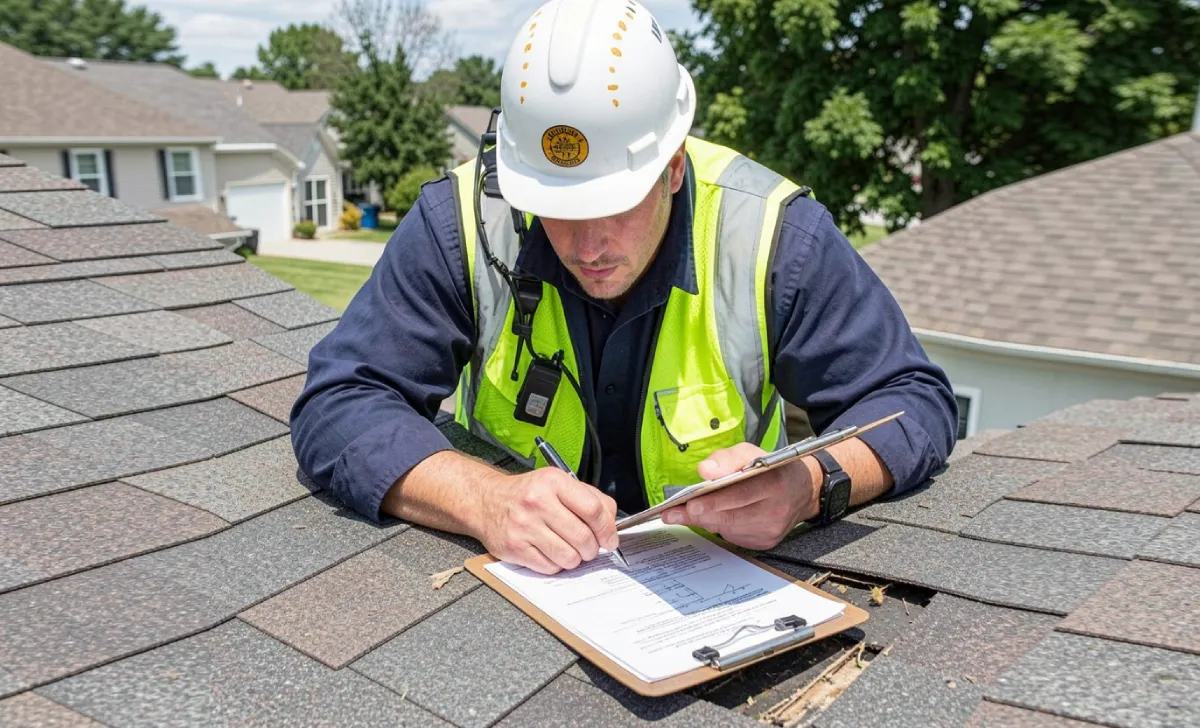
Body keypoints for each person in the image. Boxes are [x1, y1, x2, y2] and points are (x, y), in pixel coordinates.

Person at [291, 0, 957, 575]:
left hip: (717, 596)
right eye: (557, 206)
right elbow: (339, 402)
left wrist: (810, 488)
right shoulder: (460, 221)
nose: (587, 245)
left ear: (672, 166)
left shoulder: (775, 237)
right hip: (517, 598)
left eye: (615, 205)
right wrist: (483, 499)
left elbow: (912, 402)